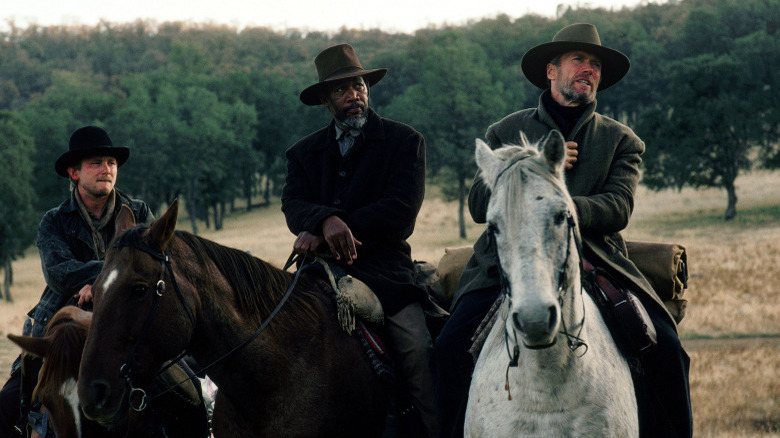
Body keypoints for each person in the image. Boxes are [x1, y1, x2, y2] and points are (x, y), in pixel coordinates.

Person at [431, 23, 693, 438]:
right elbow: (480, 207)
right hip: (510, 255)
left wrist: (558, 203)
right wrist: (531, 166)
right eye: (578, 60)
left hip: (596, 258)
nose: (588, 69)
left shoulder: (621, 139)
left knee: (667, 347)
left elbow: (618, 207)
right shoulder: (505, 132)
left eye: (594, 64)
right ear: (551, 71)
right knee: (447, 350)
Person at [281, 44, 434, 437]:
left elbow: (401, 212)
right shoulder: (303, 153)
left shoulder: (404, 141)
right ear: (325, 100)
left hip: (387, 275)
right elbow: (292, 204)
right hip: (319, 275)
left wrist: (332, 227)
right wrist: (323, 219)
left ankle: (437, 428)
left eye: (359, 85)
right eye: (341, 90)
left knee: (419, 353)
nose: (354, 95)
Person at [0, 126, 156, 437]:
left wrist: (100, 283)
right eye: (96, 163)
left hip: (131, 315)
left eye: (111, 162)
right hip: (63, 316)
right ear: (74, 173)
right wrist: (108, 275)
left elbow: (153, 265)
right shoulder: (55, 220)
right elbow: (60, 273)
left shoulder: (138, 212)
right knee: (7, 406)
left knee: (190, 387)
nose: (106, 169)